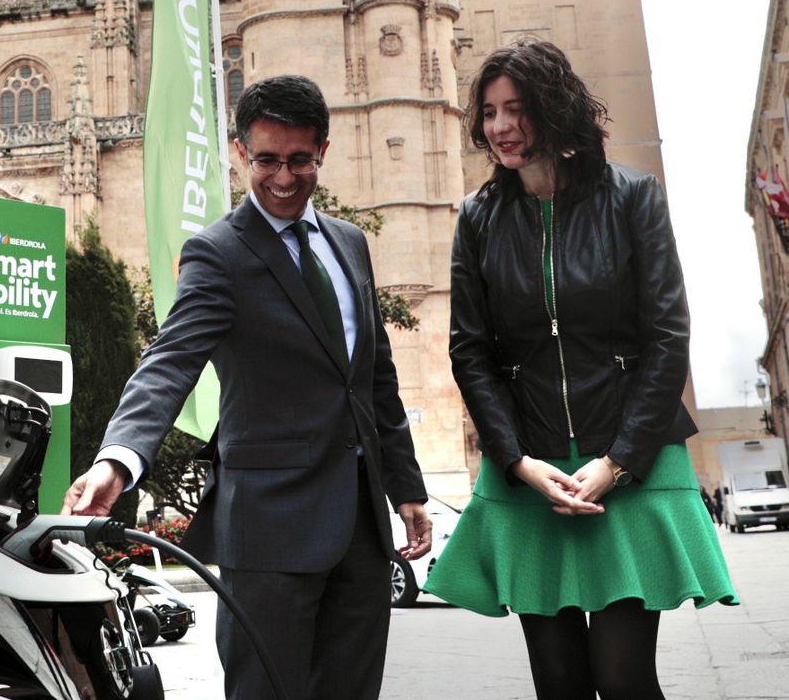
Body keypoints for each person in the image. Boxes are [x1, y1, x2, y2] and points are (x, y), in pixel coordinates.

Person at [64, 74, 430, 700]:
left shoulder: (349, 244)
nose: (283, 178)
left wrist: (406, 487)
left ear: (324, 151)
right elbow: (170, 360)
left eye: (299, 161)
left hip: (362, 535)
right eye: (266, 160)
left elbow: (373, 379)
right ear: (240, 154)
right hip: (267, 532)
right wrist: (117, 461)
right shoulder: (218, 253)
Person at [426, 38, 735, 700]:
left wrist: (616, 461)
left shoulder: (632, 196)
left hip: (630, 457)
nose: (501, 125)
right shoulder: (477, 219)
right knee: (559, 683)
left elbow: (667, 337)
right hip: (532, 467)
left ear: (554, 107)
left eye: (516, 108)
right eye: (488, 111)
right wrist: (518, 461)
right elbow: (470, 351)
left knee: (623, 678)